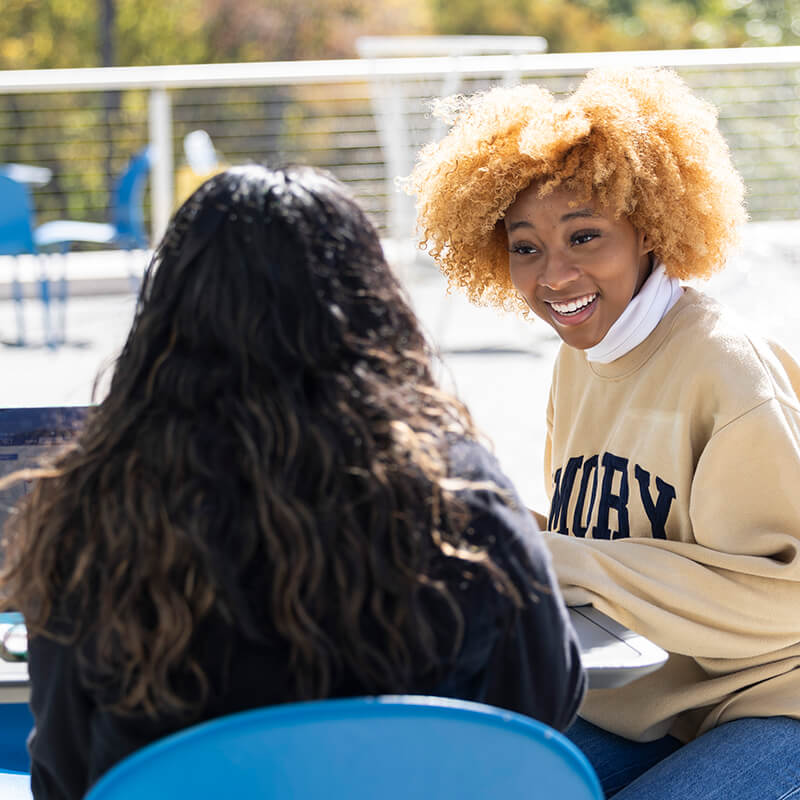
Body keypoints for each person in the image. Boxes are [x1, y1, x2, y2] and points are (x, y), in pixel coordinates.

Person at [0, 165, 586, 799]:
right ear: (374, 310)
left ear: (165, 321)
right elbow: (541, 710)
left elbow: (62, 775)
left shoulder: (89, 513)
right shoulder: (462, 501)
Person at [405, 67, 800, 798]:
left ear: (650, 227)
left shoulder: (727, 368)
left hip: (774, 702)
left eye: (584, 237)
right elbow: (597, 538)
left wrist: (557, 558)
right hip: (650, 700)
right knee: (471, 781)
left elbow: (786, 600)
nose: (556, 275)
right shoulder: (580, 358)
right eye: (526, 247)